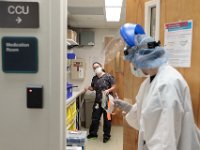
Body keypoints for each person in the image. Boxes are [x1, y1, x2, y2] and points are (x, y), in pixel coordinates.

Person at [114, 23, 200, 150]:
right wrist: (130, 109)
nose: (132, 66)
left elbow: (164, 143)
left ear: (140, 58)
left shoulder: (165, 85)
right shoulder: (152, 81)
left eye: (131, 61)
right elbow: (149, 119)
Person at [85, 62, 116, 143]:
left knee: (107, 119)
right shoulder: (94, 78)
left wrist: (108, 90)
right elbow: (93, 88)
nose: (96, 68)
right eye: (94, 68)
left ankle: (106, 136)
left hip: (107, 101)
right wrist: (88, 88)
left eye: (97, 66)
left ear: (101, 67)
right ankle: (93, 134)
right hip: (97, 102)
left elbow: (114, 86)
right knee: (95, 118)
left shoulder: (108, 76)